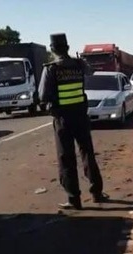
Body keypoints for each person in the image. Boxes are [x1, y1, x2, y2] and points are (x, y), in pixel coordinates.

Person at [39, 33, 109, 210]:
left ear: (53, 49)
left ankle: (74, 198)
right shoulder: (79, 64)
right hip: (81, 115)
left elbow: (42, 96)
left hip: (63, 119)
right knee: (87, 153)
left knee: (66, 157)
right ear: (68, 47)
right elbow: (90, 71)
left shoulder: (51, 68)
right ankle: (97, 193)